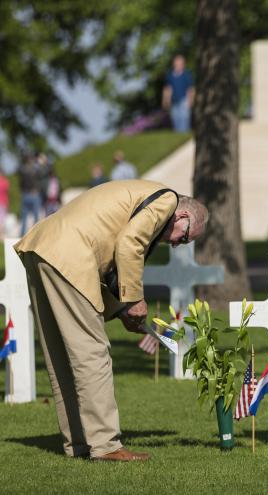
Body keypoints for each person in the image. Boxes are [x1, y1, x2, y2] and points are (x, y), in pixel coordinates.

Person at [15, 180, 209, 462]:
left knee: (62, 355)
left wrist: (120, 310)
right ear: (183, 216)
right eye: (186, 237)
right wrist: (134, 299)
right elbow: (129, 245)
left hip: (42, 248)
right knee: (92, 353)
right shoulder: (167, 201)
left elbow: (110, 261)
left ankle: (79, 443)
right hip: (69, 253)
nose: (179, 244)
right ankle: (106, 445)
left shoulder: (144, 200)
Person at [162, 55, 194, 132]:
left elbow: (190, 89)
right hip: (174, 101)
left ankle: (183, 135)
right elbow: (167, 89)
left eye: (180, 63)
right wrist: (166, 100)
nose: (178, 65)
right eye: (177, 63)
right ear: (174, 64)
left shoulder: (186, 75)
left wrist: (190, 100)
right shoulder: (170, 76)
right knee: (176, 121)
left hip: (184, 100)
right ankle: (178, 136)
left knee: (184, 121)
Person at [18, 154, 42, 235]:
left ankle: (22, 235)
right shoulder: (35, 169)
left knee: (24, 217)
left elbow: (20, 182)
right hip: (33, 194)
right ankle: (35, 234)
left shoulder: (22, 169)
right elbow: (40, 177)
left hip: (25, 194)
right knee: (36, 216)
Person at [0, 172, 9, 238]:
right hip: (3, 202)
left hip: (3, 202)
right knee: (2, 220)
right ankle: (1, 236)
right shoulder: (5, 181)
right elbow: (7, 192)